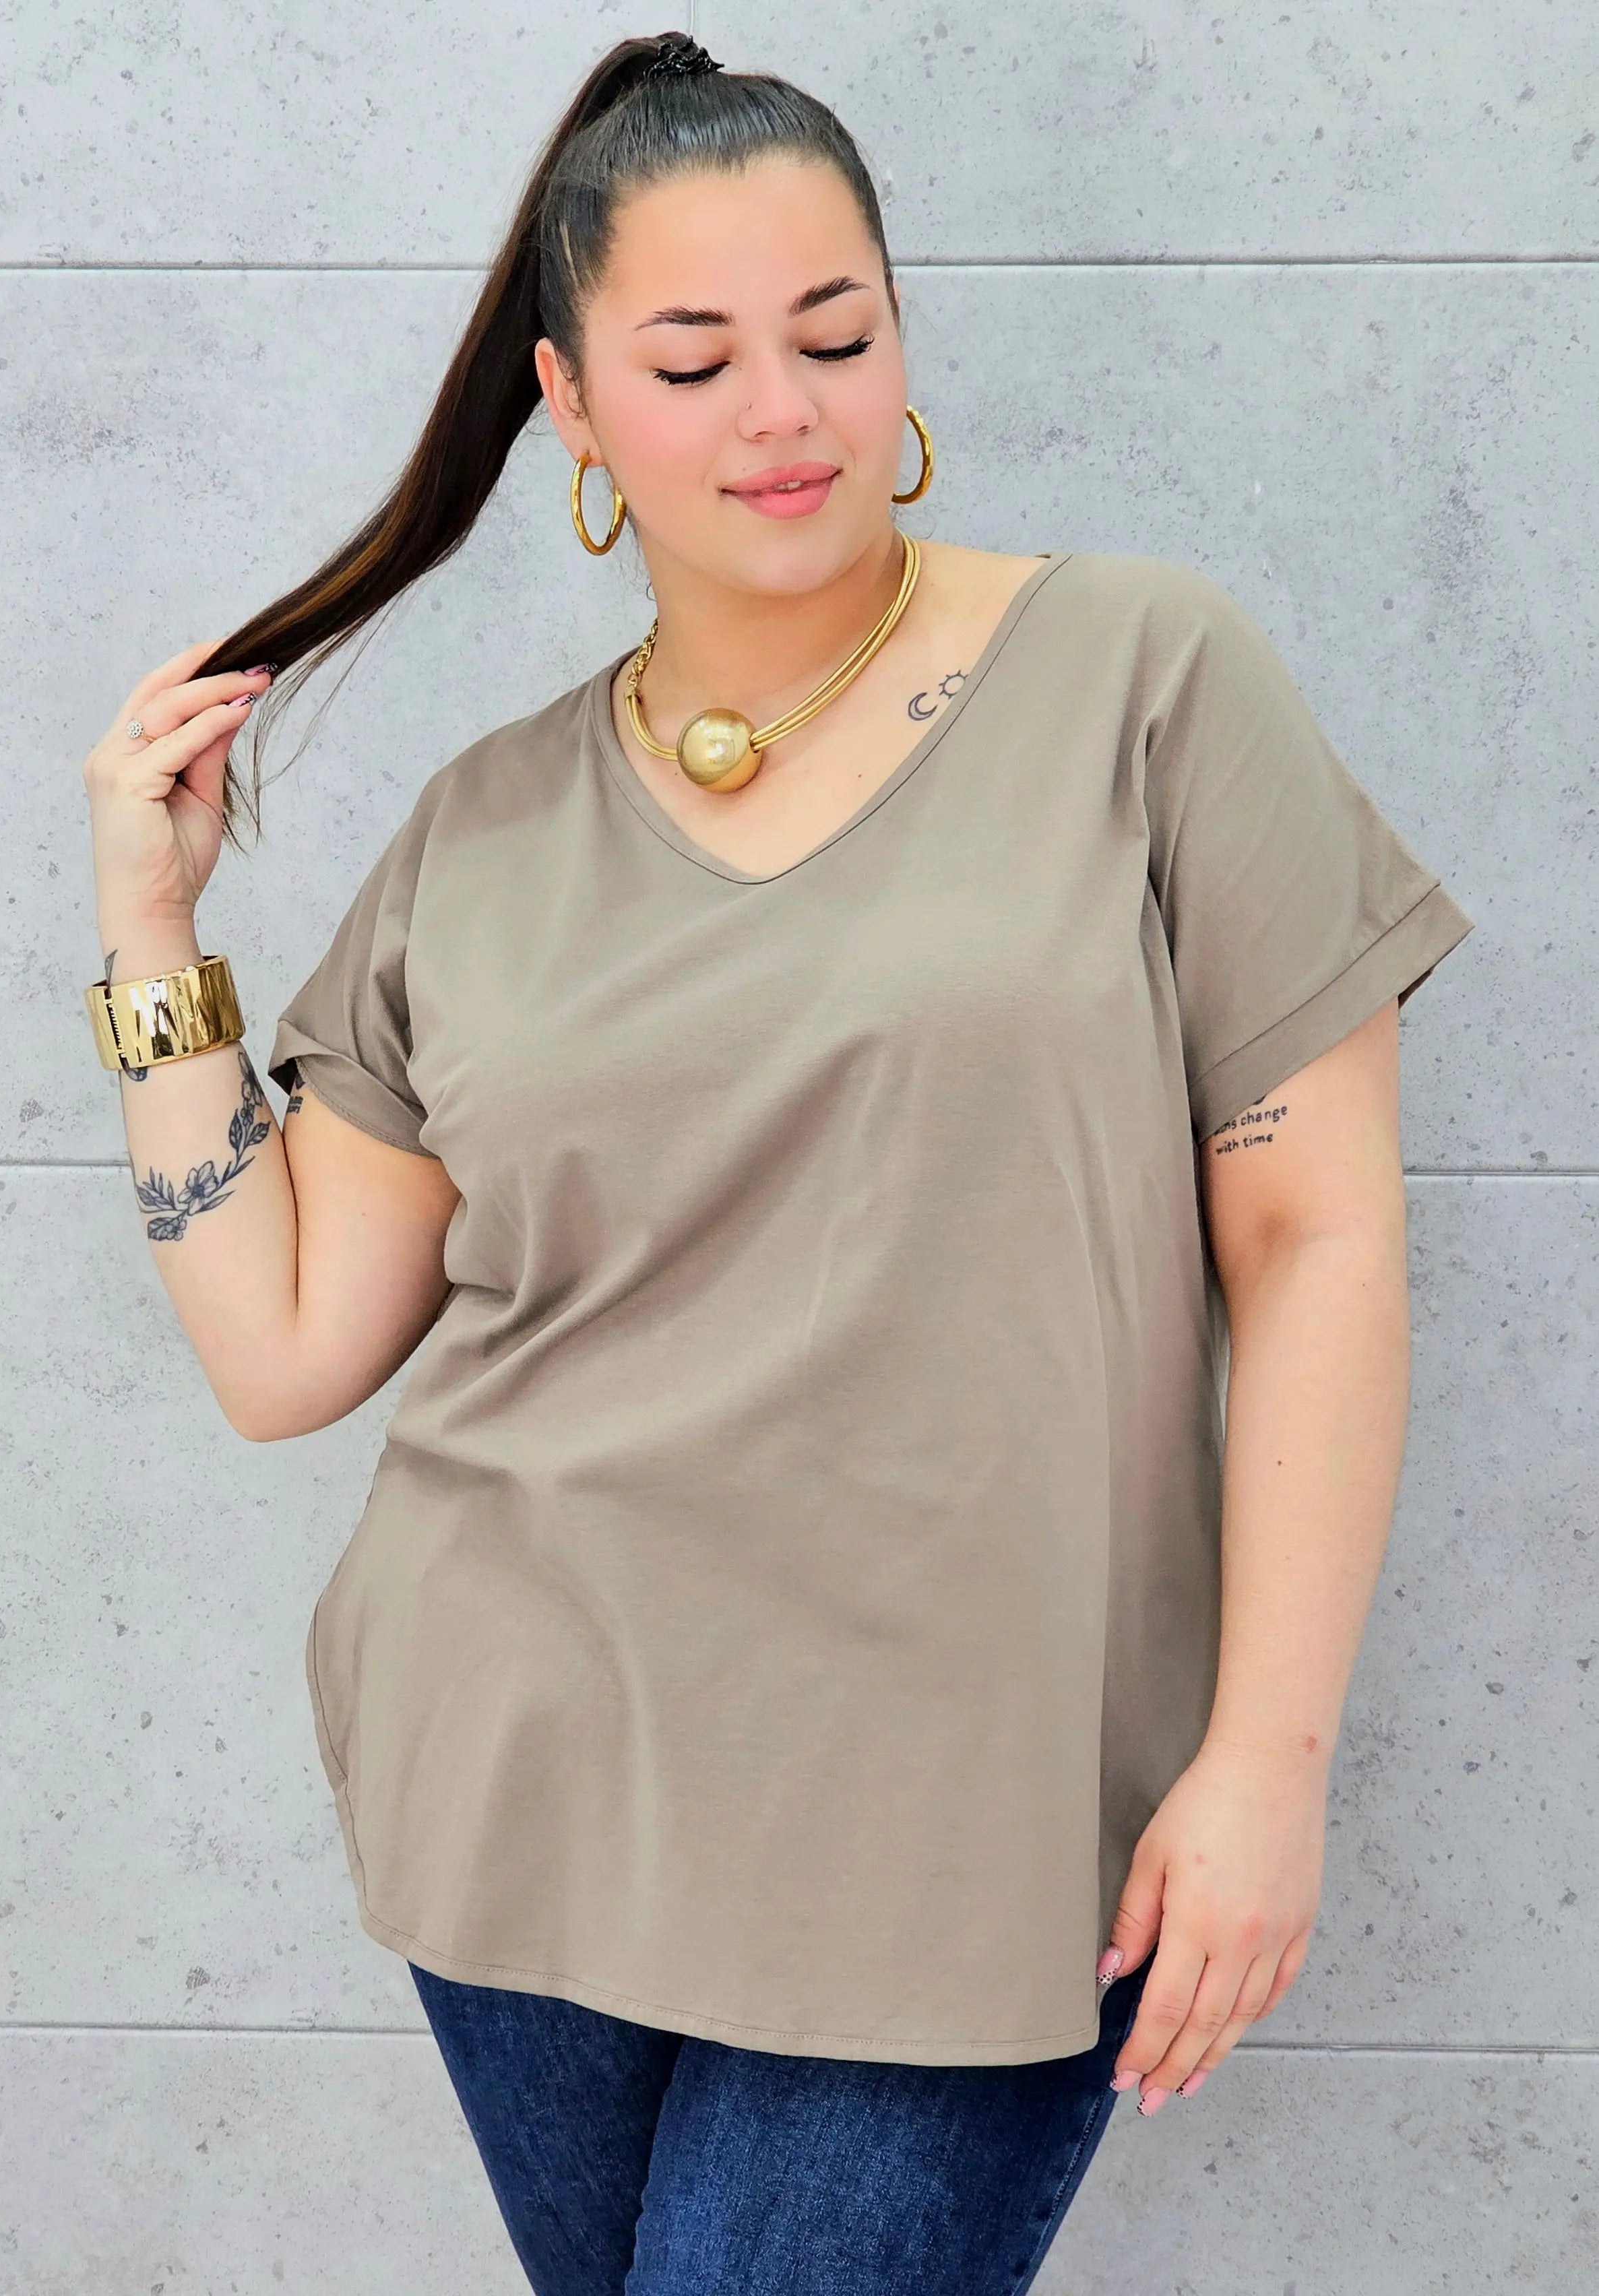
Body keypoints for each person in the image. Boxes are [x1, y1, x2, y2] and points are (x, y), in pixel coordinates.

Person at [77, 30, 1475, 2295]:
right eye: (692, 359)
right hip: (528, 1784)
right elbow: (286, 1349)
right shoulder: (485, 828)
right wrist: (154, 938)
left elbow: (1312, 1237)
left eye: (833, 334)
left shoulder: (1146, 681)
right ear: (571, 407)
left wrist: (1265, 1762)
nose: (780, 411)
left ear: (900, 338)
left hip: (979, 1822)